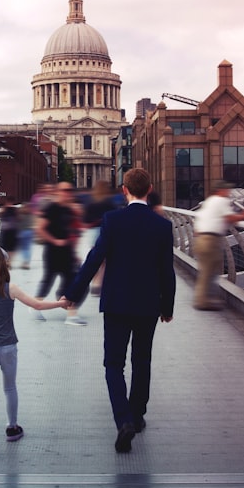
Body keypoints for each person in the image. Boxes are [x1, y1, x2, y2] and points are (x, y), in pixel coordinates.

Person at [61, 168, 175, 453]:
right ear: (149, 189)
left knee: (113, 364)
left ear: (124, 190)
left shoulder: (112, 220)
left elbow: (93, 258)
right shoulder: (162, 225)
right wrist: (168, 305)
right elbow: (167, 271)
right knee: (142, 361)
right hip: (148, 304)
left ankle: (122, 419)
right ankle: (137, 416)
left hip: (116, 303)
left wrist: (74, 293)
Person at [0, 246, 69, 459]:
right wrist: (60, 303)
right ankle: (12, 428)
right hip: (8, 347)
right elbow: (37, 305)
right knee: (10, 388)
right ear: (4, 264)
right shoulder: (10, 288)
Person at [192, 181, 244, 311]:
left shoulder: (209, 202)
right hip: (211, 240)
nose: (228, 193)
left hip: (200, 239)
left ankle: (206, 298)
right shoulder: (221, 200)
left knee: (207, 270)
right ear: (220, 191)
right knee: (210, 270)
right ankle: (202, 301)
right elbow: (229, 218)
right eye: (227, 191)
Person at [34, 181, 86, 325]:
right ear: (58, 192)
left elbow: (72, 231)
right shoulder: (52, 208)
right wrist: (55, 240)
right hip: (52, 251)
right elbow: (40, 228)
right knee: (48, 280)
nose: (68, 193)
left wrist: (74, 253)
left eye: (70, 190)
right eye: (64, 190)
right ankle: (36, 305)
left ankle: (71, 313)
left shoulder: (69, 210)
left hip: (67, 252)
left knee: (73, 281)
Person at [82, 181, 118, 295]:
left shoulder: (90, 202)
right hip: (104, 231)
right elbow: (114, 218)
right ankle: (98, 282)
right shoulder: (109, 202)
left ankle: (95, 281)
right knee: (104, 260)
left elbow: (85, 219)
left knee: (96, 257)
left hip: (92, 232)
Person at [17, 184, 49, 270]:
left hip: (27, 228)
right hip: (32, 225)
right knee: (27, 246)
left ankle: (25, 262)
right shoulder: (37, 197)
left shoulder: (42, 198)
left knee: (25, 247)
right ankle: (27, 262)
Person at [0, 201, 19, 266]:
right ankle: (9, 261)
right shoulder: (15, 210)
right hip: (13, 231)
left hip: (5, 231)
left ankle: (5, 261)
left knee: (3, 246)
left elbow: (1, 217)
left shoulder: (3, 209)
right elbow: (18, 219)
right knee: (11, 247)